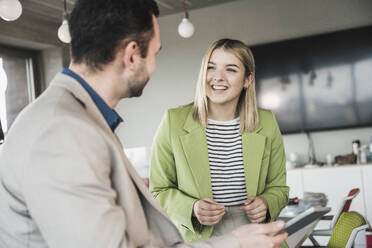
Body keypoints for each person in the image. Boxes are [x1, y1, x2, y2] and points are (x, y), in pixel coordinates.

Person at [0, 0, 287, 247]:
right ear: (132, 55)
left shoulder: (76, 117)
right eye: (155, 53)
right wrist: (235, 242)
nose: (154, 66)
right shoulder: (62, 131)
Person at [150, 39, 289, 243]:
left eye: (231, 69)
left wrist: (266, 203)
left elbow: (280, 188)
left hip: (256, 236)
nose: (217, 78)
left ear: (247, 79)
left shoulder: (266, 122)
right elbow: (158, 191)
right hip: (199, 237)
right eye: (211, 68)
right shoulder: (174, 121)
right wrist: (192, 208)